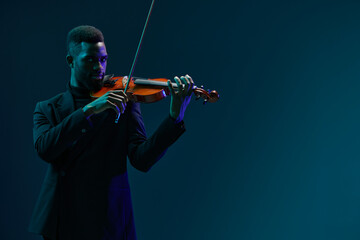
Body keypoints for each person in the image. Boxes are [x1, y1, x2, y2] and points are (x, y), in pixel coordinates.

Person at [28, 25, 193, 240]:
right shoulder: (47, 108)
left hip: (110, 220)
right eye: (90, 60)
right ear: (71, 61)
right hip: (63, 220)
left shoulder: (124, 99)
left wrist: (175, 116)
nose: (100, 67)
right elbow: (45, 149)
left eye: (103, 59)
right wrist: (89, 109)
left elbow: (141, 159)